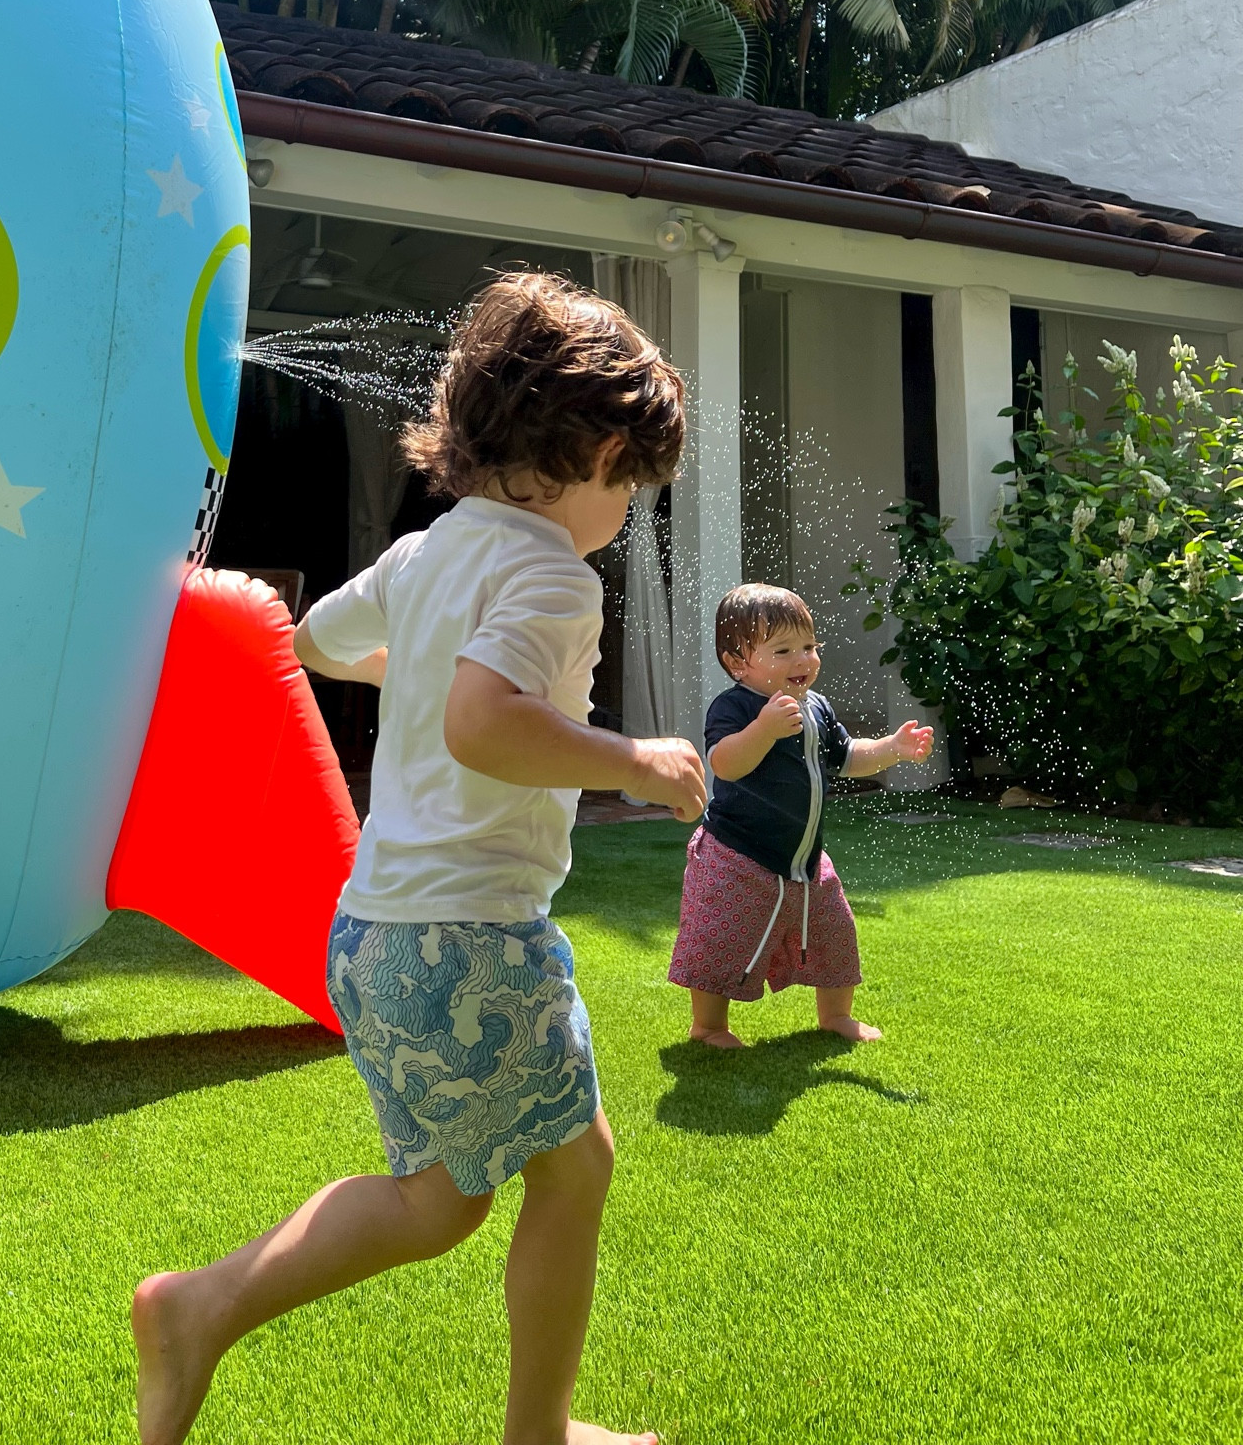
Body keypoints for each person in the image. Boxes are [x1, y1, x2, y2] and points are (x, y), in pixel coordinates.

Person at [132, 272, 707, 1445]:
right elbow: (486, 725)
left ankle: (199, 1304)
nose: (625, 514)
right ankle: (536, 1432)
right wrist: (633, 759)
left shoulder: (432, 549)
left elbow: (324, 641)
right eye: (633, 491)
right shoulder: (552, 574)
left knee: (440, 1199)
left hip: (376, 933)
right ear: (600, 451)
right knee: (571, 1170)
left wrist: (439, 674)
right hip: (472, 937)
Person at [668, 582, 935, 1051]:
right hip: (738, 855)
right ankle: (708, 1025)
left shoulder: (816, 707)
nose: (803, 660)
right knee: (721, 942)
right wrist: (764, 730)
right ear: (738, 663)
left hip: (805, 860)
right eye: (784, 649)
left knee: (836, 934)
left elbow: (849, 757)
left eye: (810, 646)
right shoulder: (735, 707)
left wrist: (892, 748)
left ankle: (836, 1015)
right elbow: (725, 764)